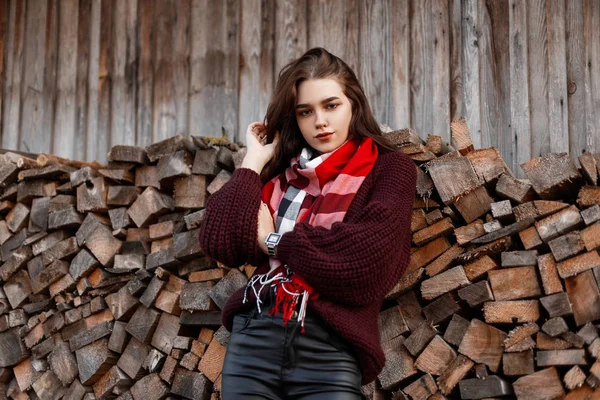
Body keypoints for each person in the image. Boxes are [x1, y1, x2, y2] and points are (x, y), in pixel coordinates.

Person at [199, 47, 416, 399]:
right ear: (295, 119)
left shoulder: (390, 170)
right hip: (253, 341)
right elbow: (219, 240)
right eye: (306, 112)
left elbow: (366, 262)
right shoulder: (281, 175)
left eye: (331, 105)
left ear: (353, 105)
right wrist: (253, 161)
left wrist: (273, 242)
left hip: (329, 351)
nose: (320, 121)